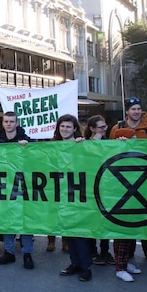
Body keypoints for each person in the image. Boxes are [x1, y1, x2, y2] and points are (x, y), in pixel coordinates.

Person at [109, 97, 147, 263]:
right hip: (123, 177)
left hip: (146, 177)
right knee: (128, 214)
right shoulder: (117, 128)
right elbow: (108, 151)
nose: (136, 112)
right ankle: (128, 249)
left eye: (139, 109)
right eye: (133, 109)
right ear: (127, 111)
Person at [0, 111, 36, 270]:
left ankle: (27, 253)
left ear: (17, 123)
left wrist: (28, 148)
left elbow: (38, 157)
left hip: (22, 186)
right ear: (2, 123)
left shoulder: (27, 140)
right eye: (6, 121)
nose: (8, 124)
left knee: (25, 220)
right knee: (7, 219)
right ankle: (9, 252)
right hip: (5, 186)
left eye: (11, 121)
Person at [51, 115, 92, 282]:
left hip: (78, 195)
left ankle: (86, 267)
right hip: (61, 195)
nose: (65, 129)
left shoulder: (81, 145)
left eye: (68, 127)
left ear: (75, 129)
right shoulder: (54, 147)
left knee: (80, 233)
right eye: (62, 127)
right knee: (68, 231)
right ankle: (75, 263)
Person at [83, 115, 115, 266]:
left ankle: (105, 251)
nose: (104, 129)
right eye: (101, 127)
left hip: (105, 186)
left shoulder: (109, 143)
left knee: (104, 219)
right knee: (91, 220)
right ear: (92, 129)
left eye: (105, 126)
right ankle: (92, 252)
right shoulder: (84, 144)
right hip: (89, 188)